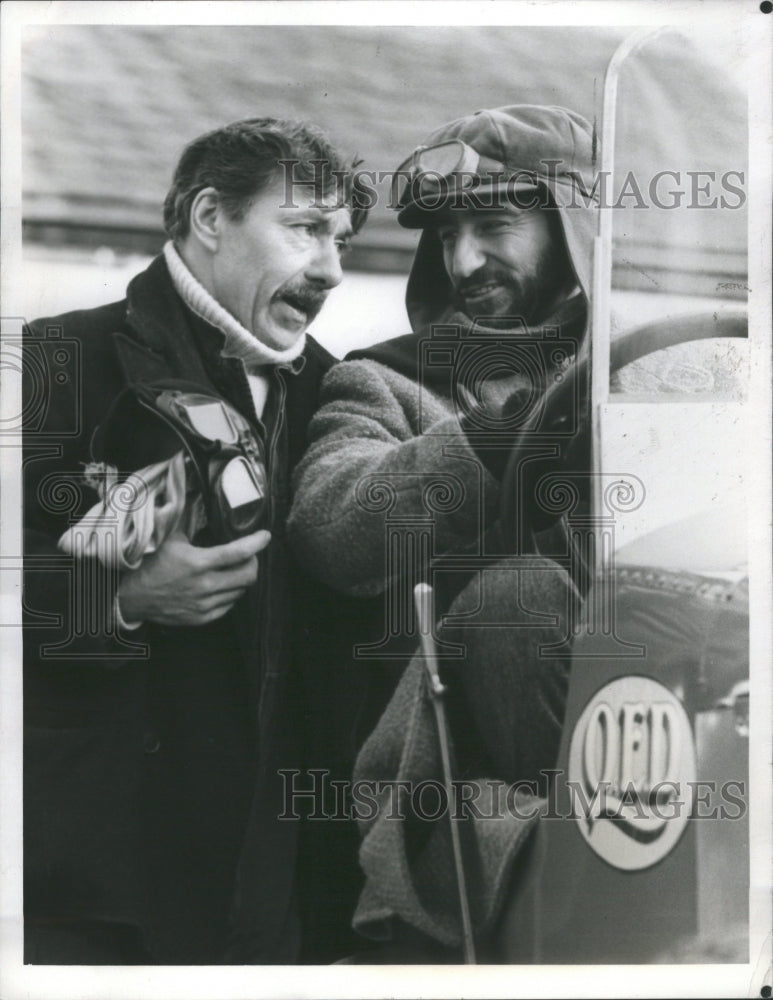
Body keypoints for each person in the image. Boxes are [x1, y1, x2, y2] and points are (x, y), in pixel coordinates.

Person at [22, 117, 366, 965]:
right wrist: (121, 600)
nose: (329, 268)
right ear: (210, 217)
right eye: (304, 228)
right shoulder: (54, 361)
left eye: (341, 240)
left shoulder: (340, 397)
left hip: (282, 879)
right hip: (103, 888)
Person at [287, 105, 596, 959]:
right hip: (463, 784)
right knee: (518, 599)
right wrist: (497, 437)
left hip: (657, 702)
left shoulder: (653, 370)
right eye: (447, 235)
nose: (463, 261)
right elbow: (333, 526)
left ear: (574, 227)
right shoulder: (384, 383)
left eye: (493, 225)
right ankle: (587, 878)